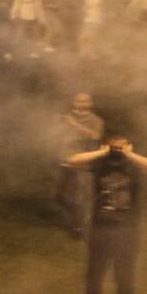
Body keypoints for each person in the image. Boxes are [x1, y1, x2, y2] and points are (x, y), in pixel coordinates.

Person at [68, 133, 147, 294]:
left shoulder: (134, 166)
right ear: (106, 147)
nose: (117, 152)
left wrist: (130, 154)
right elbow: (73, 161)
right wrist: (102, 152)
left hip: (127, 230)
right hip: (100, 228)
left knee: (124, 275)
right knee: (94, 274)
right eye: (114, 147)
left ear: (129, 146)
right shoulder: (100, 165)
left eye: (121, 147)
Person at [54, 92, 105, 238]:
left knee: (80, 195)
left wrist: (74, 125)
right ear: (74, 103)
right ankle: (79, 218)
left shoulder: (96, 120)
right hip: (66, 159)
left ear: (91, 104)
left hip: (84, 162)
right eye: (79, 101)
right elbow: (58, 136)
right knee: (59, 196)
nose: (82, 104)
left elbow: (95, 136)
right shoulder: (67, 118)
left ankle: (78, 227)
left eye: (86, 101)